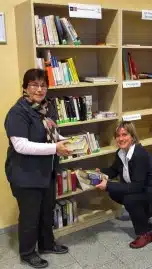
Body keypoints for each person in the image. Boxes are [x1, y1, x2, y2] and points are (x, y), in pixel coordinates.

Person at [4, 69, 71, 268]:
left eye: (43, 85)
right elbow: (21, 146)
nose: (39, 90)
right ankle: (27, 253)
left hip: (46, 171)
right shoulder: (17, 112)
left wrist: (67, 142)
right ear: (25, 87)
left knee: (46, 211)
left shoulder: (47, 108)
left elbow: (52, 134)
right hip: (25, 174)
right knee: (30, 216)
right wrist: (55, 148)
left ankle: (47, 244)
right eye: (34, 85)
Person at [95, 121, 152, 249]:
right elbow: (114, 170)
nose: (121, 138)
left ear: (132, 136)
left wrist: (108, 185)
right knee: (115, 192)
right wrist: (99, 172)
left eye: (125, 134)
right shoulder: (120, 153)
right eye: (118, 136)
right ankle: (143, 215)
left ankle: (146, 233)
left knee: (130, 199)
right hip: (146, 191)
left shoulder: (138, 154)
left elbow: (137, 187)